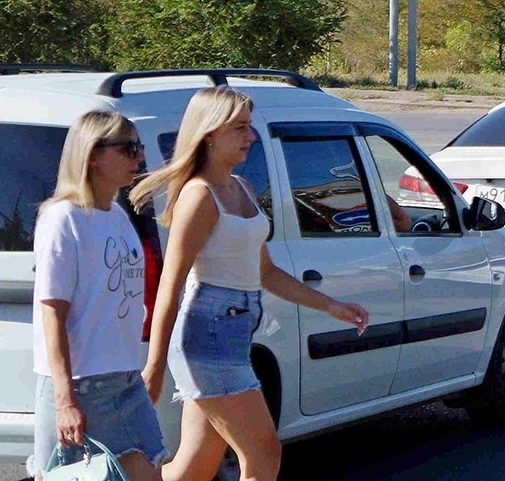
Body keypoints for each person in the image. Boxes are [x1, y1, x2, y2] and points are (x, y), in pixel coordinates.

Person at [133, 87, 370, 481]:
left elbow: (266, 273)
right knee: (264, 454)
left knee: (194, 468)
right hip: (206, 336)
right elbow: (171, 285)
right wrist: (155, 367)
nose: (251, 137)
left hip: (234, 333)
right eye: (240, 128)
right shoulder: (199, 196)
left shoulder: (240, 188)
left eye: (250, 127)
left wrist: (332, 306)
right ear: (209, 133)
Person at [30, 109, 165, 481]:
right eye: (128, 148)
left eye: (138, 147)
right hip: (80, 386)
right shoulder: (63, 219)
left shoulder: (117, 215)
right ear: (92, 155)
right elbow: (52, 313)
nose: (139, 157)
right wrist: (64, 401)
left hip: (124, 378)